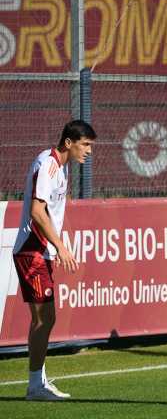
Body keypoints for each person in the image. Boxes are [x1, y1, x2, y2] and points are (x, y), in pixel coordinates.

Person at [13, 120, 96, 401]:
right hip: (32, 250)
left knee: (44, 319)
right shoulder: (47, 164)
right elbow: (37, 211)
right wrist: (59, 246)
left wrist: (59, 243)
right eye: (85, 144)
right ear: (69, 142)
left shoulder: (63, 168)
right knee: (44, 318)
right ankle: (35, 386)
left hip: (42, 251)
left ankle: (38, 382)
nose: (88, 151)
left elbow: (52, 211)